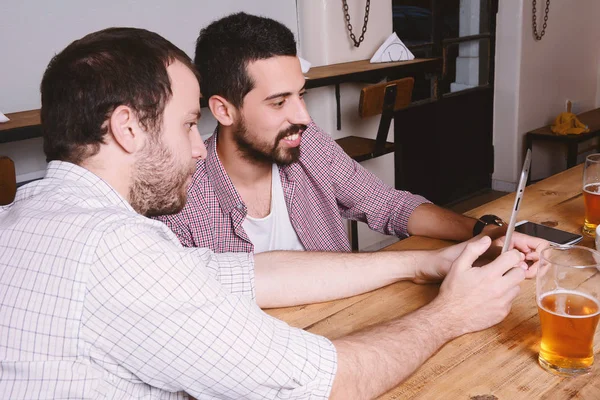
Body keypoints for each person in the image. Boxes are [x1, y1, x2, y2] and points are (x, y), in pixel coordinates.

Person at [0, 27, 544, 399]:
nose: (196, 146)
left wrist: (428, 263)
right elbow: (324, 381)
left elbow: (248, 273)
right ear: (127, 127)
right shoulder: (117, 250)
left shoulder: (37, 215)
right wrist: (450, 315)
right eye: (188, 124)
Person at [154, 12, 527, 255]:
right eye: (279, 102)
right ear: (223, 110)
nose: (303, 116)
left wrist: (482, 232)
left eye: (300, 95)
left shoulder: (307, 142)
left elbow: (388, 205)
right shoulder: (180, 203)